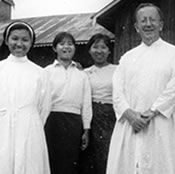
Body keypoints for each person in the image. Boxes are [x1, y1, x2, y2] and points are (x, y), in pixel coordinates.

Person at [106, 3, 175, 174]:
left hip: (162, 125)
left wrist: (151, 112)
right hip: (130, 124)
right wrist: (129, 115)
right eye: (143, 20)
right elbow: (117, 91)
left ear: (161, 24)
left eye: (153, 19)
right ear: (137, 27)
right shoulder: (127, 58)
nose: (148, 24)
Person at [0, 21, 50, 174]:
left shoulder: (39, 73)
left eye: (25, 39)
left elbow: (44, 107)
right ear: (7, 40)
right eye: (15, 38)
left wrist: (28, 122)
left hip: (30, 128)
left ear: (31, 42)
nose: (19, 43)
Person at [44, 32, 92, 174]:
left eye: (70, 44)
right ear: (54, 48)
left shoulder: (82, 75)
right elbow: (41, 101)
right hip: (52, 121)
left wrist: (86, 130)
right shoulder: (46, 72)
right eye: (62, 43)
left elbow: (86, 104)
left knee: (70, 164)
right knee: (51, 162)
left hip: (74, 123)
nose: (66, 47)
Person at [82, 33, 117, 174]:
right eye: (95, 47)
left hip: (111, 117)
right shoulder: (84, 73)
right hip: (91, 116)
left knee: (110, 154)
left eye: (103, 47)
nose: (99, 51)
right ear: (90, 50)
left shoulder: (118, 70)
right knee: (91, 158)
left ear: (109, 51)